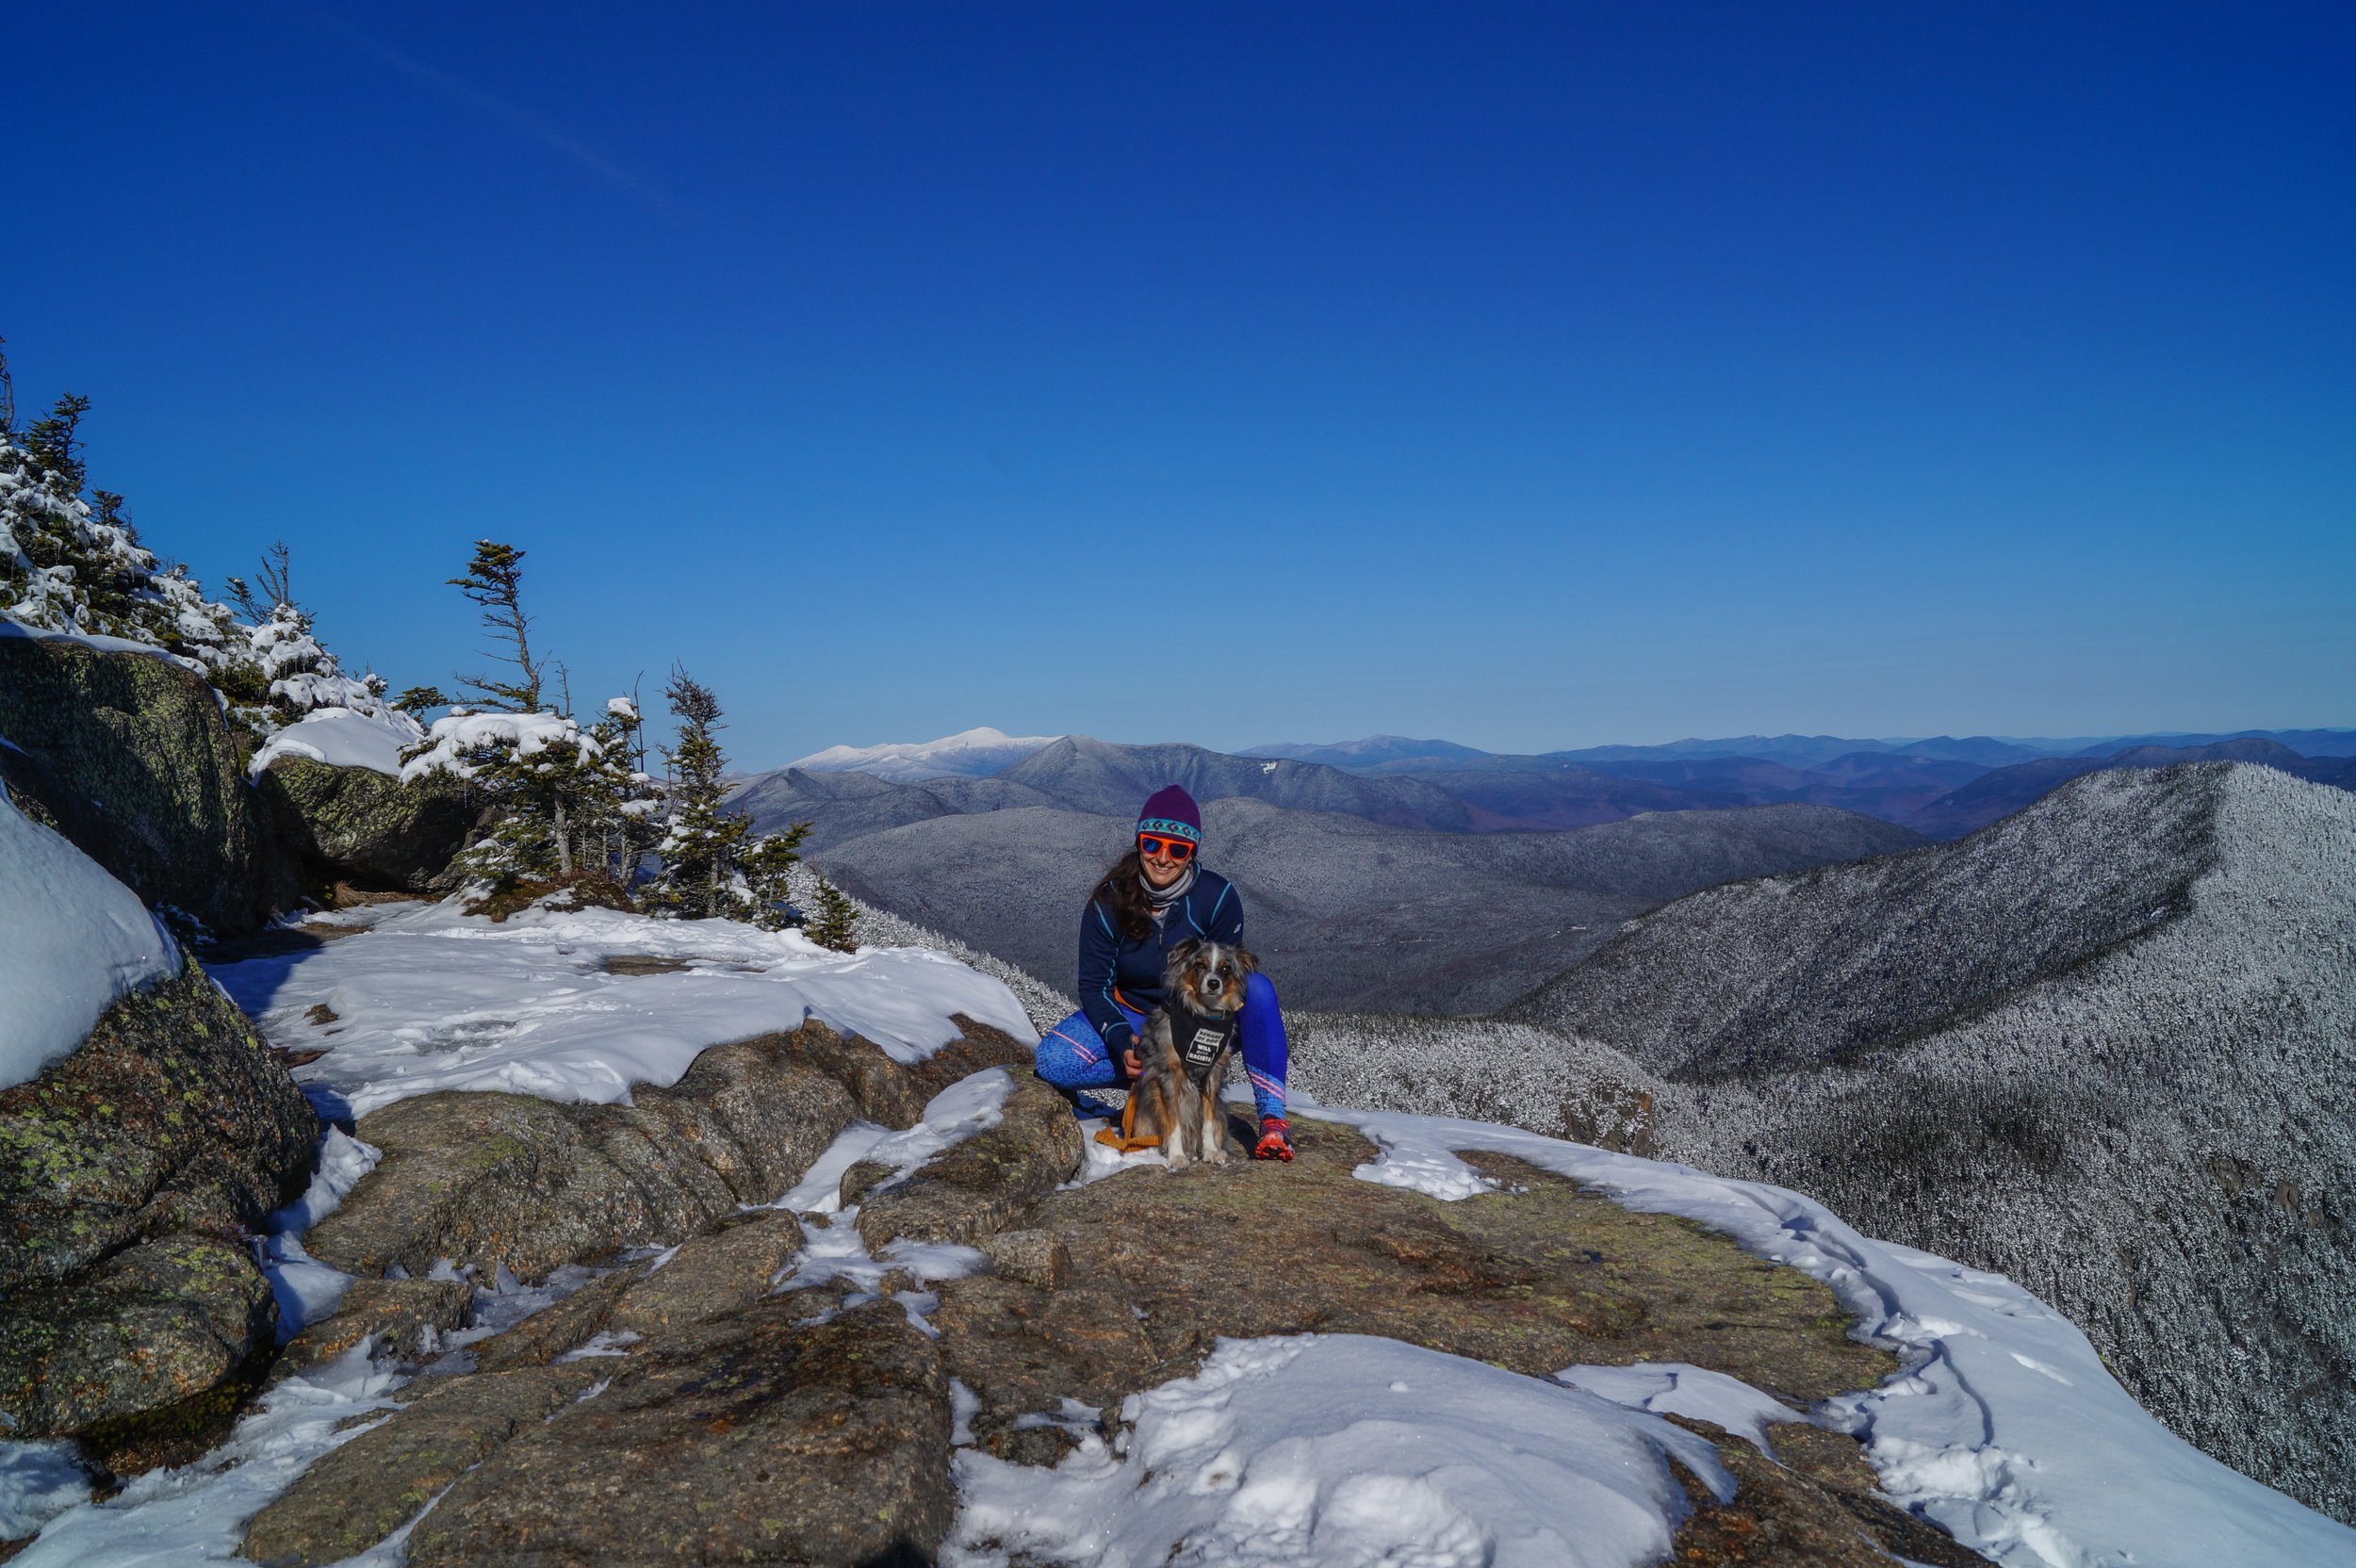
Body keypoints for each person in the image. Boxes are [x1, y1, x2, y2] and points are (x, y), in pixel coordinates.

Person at [1033, 785, 1294, 1161]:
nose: (1163, 858)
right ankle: (1141, 1095)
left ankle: (1273, 1121)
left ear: (1192, 852)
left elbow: (1225, 977)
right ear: (1140, 843)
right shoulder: (1109, 901)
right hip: (1133, 1013)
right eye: (1153, 844)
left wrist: (1196, 1038)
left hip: (1196, 1016)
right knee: (1054, 1061)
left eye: (1178, 849)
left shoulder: (1216, 897)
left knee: (1260, 992)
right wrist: (1123, 1041)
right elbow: (1094, 985)